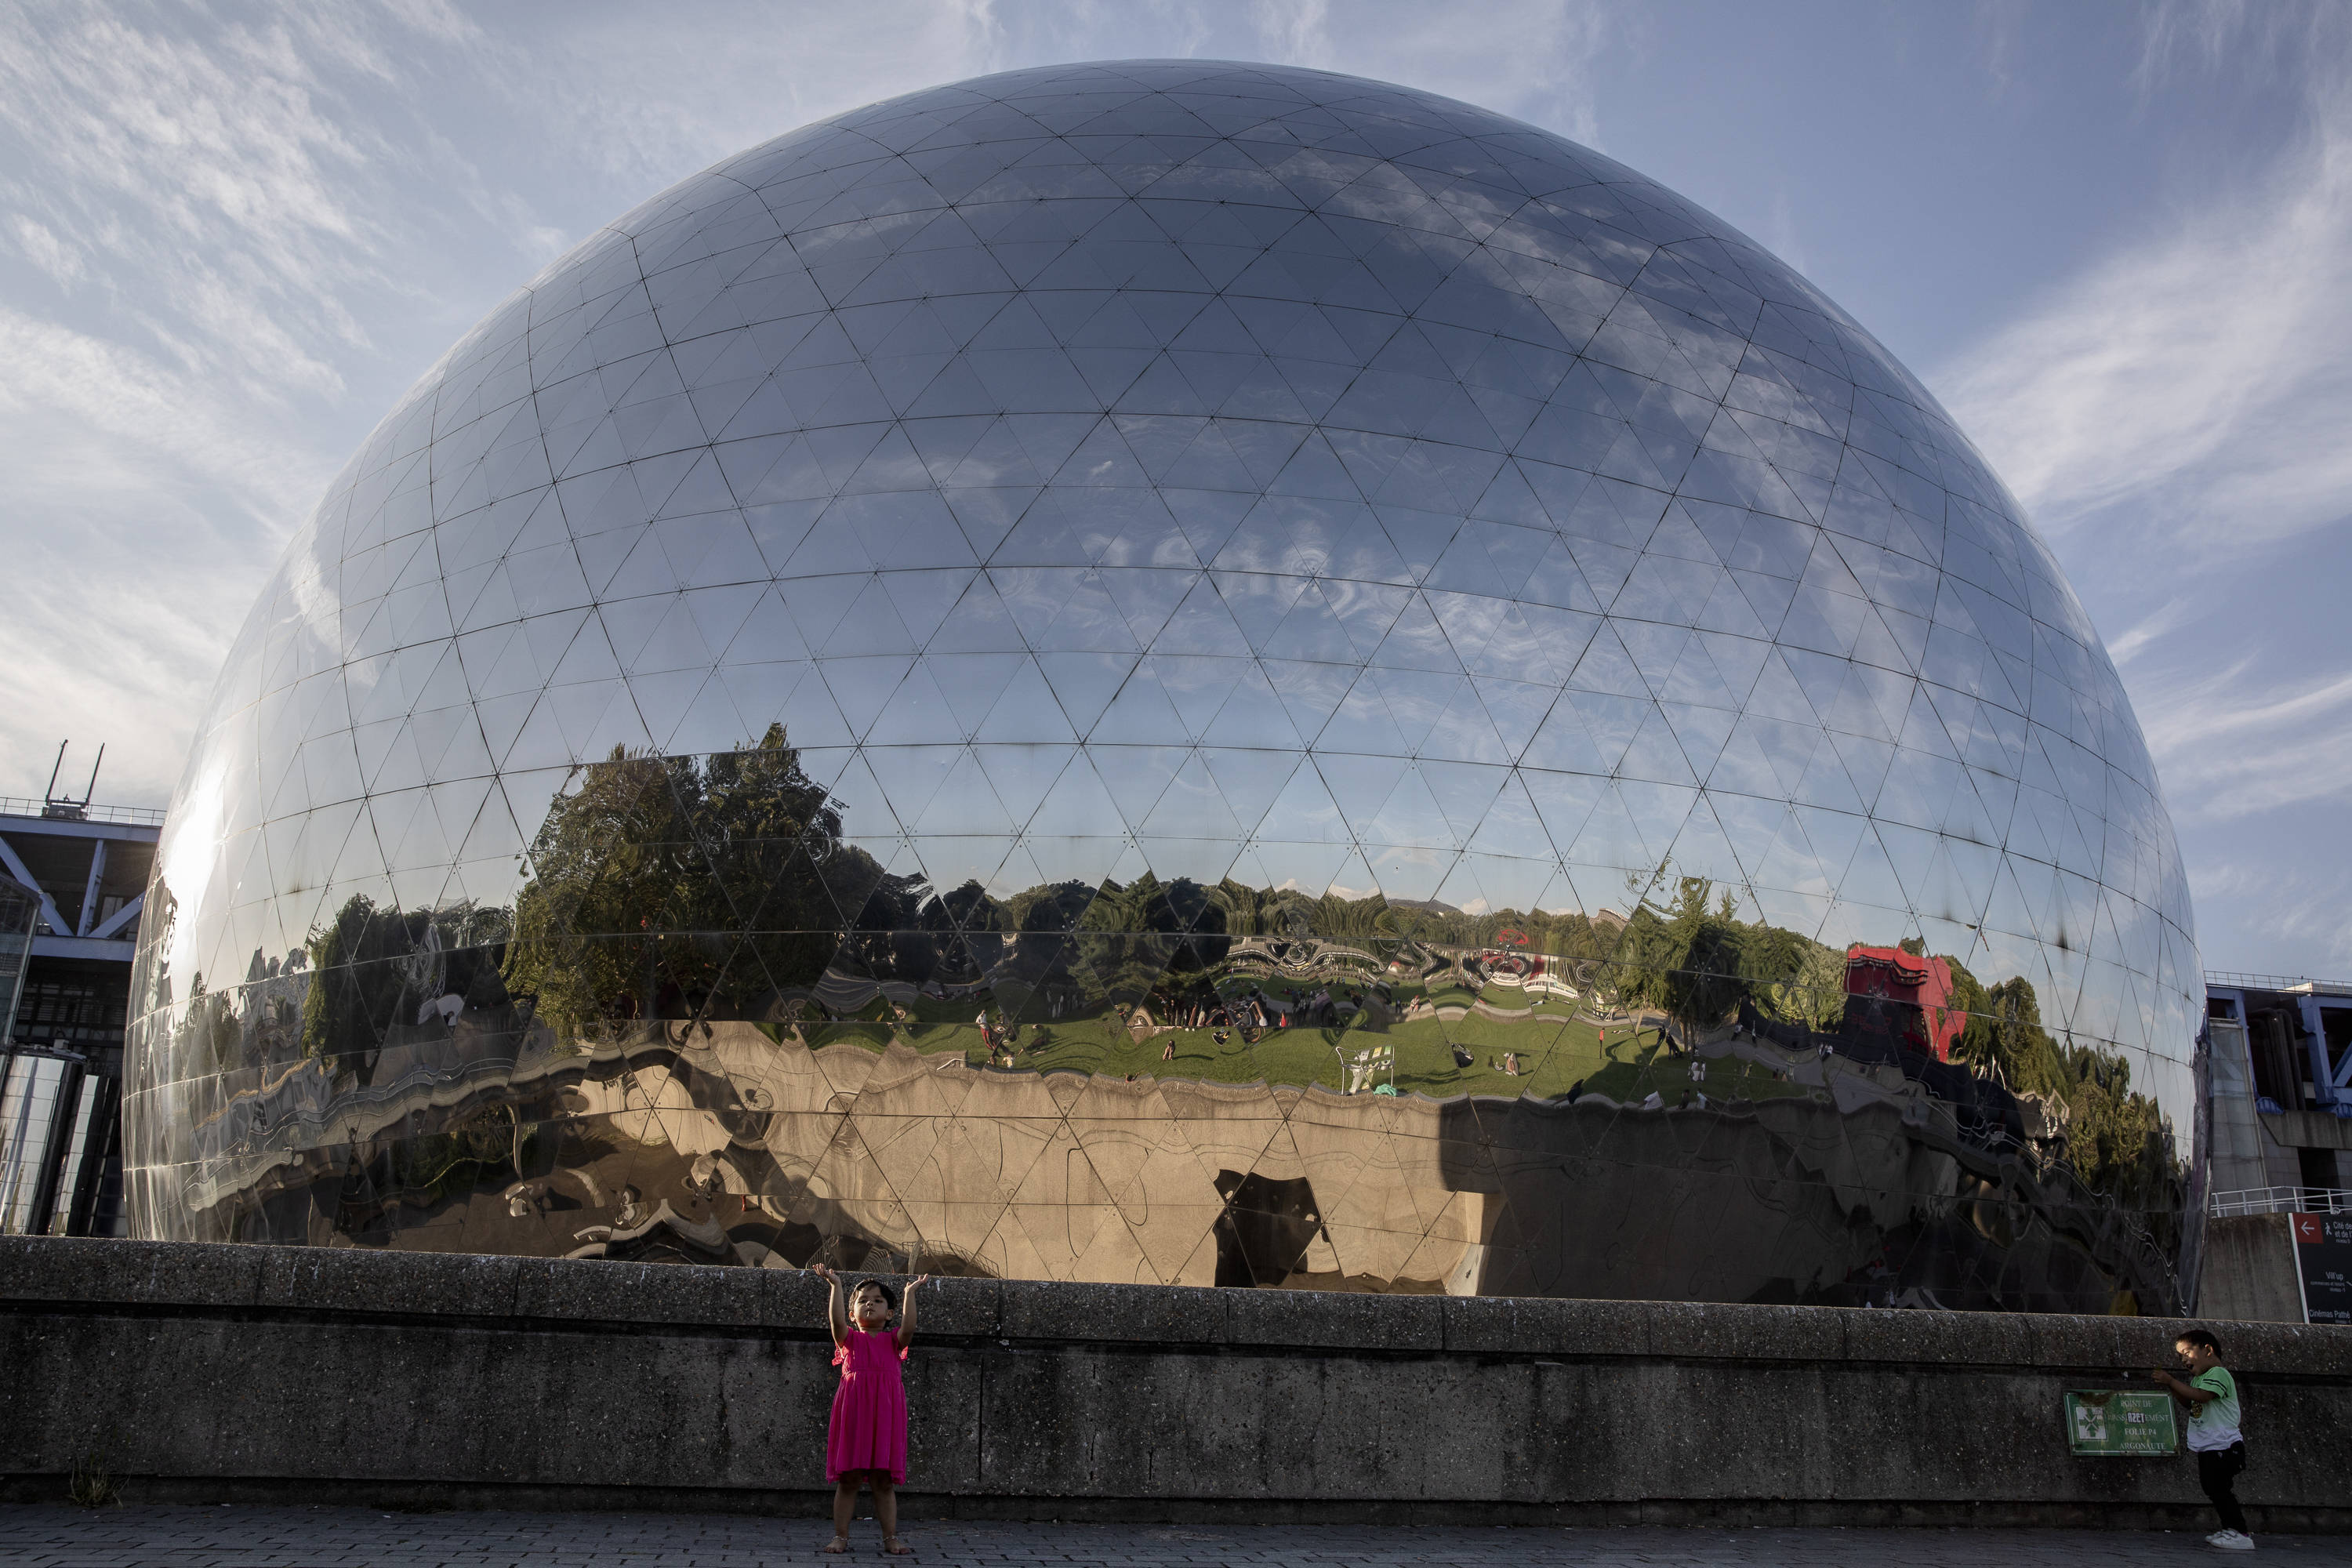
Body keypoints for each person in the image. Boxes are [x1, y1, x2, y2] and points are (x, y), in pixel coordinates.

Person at [811, 1264, 931, 1557]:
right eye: (863, 1300)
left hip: (885, 1414)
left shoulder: (893, 1342)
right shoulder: (850, 1339)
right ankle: (840, 1536)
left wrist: (909, 1294)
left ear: (890, 1313)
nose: (870, 1304)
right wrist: (835, 1285)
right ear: (853, 1314)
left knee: (883, 1480)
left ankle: (891, 1538)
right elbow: (836, 1322)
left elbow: (910, 1327)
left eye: (878, 1301)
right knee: (848, 1477)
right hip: (854, 1411)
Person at [2152, 1328, 2251, 1550]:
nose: (2183, 1359)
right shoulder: (2198, 1379)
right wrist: (2172, 1385)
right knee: (2213, 1488)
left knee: (2219, 1488)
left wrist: (2172, 1381)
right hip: (2210, 1445)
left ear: (2208, 1350)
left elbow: (2203, 1397)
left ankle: (2240, 1532)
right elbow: (2190, 1403)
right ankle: (2230, 1529)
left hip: (2224, 1444)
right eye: (2180, 1356)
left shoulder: (2218, 1373)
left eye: (2187, 1352)